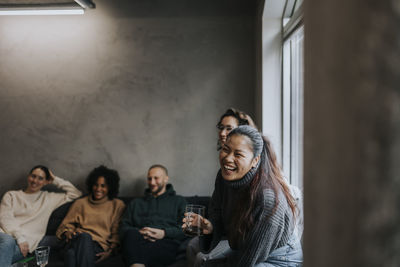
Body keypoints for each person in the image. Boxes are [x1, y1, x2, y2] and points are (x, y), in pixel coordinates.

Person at [183, 126, 303, 266]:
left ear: (255, 161)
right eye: (225, 149)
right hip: (247, 248)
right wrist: (210, 227)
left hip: (281, 258)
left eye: (238, 154)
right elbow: (218, 215)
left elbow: (247, 261)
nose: (228, 158)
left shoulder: (267, 199)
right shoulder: (223, 178)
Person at [186, 108, 258, 267]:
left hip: (241, 239)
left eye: (229, 128)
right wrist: (209, 225)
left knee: (202, 258)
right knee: (192, 246)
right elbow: (215, 210)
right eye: (221, 128)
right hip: (224, 233)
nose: (223, 133)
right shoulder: (222, 174)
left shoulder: (254, 176)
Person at [0, 165, 82, 267]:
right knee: (8, 241)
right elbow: (5, 218)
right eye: (33, 176)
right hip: (4, 235)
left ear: (46, 181)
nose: (35, 181)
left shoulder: (49, 198)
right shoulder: (11, 195)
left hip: (25, 245)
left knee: (7, 252)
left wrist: (55, 180)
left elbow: (76, 194)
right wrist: (20, 238)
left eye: (40, 178)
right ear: (28, 177)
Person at [56, 165, 125, 267]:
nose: (98, 189)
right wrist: (69, 232)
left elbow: (116, 233)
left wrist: (110, 252)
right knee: (84, 237)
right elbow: (65, 226)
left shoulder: (117, 205)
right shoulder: (80, 203)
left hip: (97, 247)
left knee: (71, 255)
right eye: (96, 185)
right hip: (76, 240)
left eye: (103, 186)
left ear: (110, 187)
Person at [119, 164, 187, 267]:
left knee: (160, 247)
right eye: (149, 178)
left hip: (165, 242)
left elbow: (186, 229)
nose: (152, 182)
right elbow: (123, 227)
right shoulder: (136, 203)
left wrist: (164, 233)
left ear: (166, 179)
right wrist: (141, 232)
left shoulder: (179, 201)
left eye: (156, 178)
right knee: (131, 234)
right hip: (137, 240)